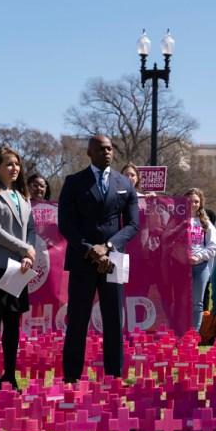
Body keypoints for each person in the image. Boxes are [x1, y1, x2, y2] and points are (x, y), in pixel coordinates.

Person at [58, 135, 139, 384]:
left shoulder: (125, 183)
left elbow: (133, 224)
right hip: (83, 259)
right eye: (100, 148)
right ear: (89, 153)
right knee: (78, 319)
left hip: (113, 259)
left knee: (114, 319)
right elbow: (66, 224)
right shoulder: (73, 182)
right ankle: (71, 376)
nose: (106, 152)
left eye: (109, 148)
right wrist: (90, 249)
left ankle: (115, 375)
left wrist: (108, 247)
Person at [0, 147, 36, 391]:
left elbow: (31, 229)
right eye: (8, 164)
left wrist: (28, 255)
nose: (14, 168)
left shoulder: (23, 196)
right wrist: (24, 249)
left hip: (19, 269)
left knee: (13, 323)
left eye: (17, 164)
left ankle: (9, 376)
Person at [185, 188, 216, 332]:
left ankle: (194, 334)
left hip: (201, 267)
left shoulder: (205, 223)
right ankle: (180, 331)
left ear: (200, 204)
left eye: (196, 201)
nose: (192, 204)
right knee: (181, 301)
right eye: (189, 201)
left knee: (197, 303)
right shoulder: (176, 220)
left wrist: (198, 256)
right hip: (180, 266)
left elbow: (214, 247)